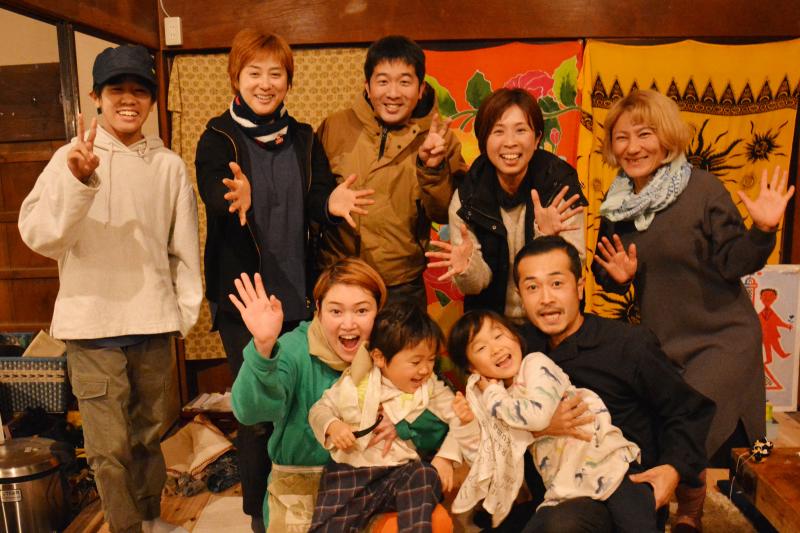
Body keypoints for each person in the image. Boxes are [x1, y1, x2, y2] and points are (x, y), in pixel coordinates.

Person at [18, 45, 202, 533]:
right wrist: (78, 181)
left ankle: (150, 518)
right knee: (107, 447)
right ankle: (126, 528)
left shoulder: (168, 165)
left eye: (140, 91)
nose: (128, 100)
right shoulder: (70, 157)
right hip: (91, 325)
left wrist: (182, 315)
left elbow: (184, 248)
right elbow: (40, 236)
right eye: (116, 89)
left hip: (153, 323)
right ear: (96, 97)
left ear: (152, 101)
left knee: (149, 436)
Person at [592, 89, 794, 531]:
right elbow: (603, 270)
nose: (632, 147)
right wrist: (618, 278)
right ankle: (682, 504)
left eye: (644, 134)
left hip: (723, 337)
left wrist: (763, 230)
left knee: (691, 421)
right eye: (622, 137)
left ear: (666, 138)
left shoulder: (702, 189)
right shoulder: (618, 203)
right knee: (661, 423)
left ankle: (687, 511)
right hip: (664, 342)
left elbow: (734, 261)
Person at [195, 29, 372, 531]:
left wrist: (331, 203)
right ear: (236, 78)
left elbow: (316, 197)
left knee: (312, 404)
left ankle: (316, 506)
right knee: (257, 415)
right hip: (247, 301)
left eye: (276, 74)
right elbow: (215, 193)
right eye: (254, 73)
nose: (265, 83)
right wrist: (235, 198)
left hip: (300, 293)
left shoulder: (302, 137)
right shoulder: (217, 137)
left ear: (288, 82)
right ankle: (261, 515)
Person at [229, 258, 454, 532]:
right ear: (319, 310)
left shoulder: (394, 347)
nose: (349, 324)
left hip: (378, 484)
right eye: (336, 311)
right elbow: (250, 412)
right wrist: (263, 347)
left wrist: (404, 426)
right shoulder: (294, 349)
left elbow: (440, 418)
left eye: (362, 310)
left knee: (436, 519)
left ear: (378, 311)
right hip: (303, 490)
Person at [514, 236, 715, 532]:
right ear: (520, 296)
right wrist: (541, 427)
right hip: (555, 489)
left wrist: (672, 470)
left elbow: (688, 411)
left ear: (579, 287)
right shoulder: (517, 350)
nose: (546, 298)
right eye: (532, 287)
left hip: (623, 494)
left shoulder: (628, 344)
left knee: (560, 526)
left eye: (557, 283)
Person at [447, 309, 652, 532]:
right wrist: (467, 424)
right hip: (567, 487)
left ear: (515, 336)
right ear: (472, 367)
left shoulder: (534, 364)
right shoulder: (498, 397)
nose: (496, 349)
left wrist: (493, 395)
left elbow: (538, 416)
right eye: (481, 348)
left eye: (498, 336)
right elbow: (490, 456)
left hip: (611, 467)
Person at [316, 34, 466, 307]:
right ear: (367, 86)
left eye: (405, 82)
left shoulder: (439, 137)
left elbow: (444, 213)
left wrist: (432, 170)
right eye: (383, 81)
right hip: (339, 279)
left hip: (401, 285)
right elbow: (312, 197)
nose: (393, 93)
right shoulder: (334, 127)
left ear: (420, 89)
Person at [308, 302, 475, 532]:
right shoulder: (355, 383)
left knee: (424, 473)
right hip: (350, 474)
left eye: (431, 360)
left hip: (400, 476)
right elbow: (319, 409)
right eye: (415, 362)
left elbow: (459, 419)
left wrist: (446, 457)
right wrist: (333, 426)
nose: (425, 369)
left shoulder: (431, 388)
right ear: (379, 357)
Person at [426, 88, 586, 323]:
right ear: (483, 141)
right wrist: (467, 268)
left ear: (537, 138)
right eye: (498, 131)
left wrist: (546, 239)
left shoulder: (559, 186)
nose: (510, 142)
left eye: (521, 130)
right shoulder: (468, 197)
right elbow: (475, 286)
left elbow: (575, 270)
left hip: (551, 319)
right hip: (492, 324)